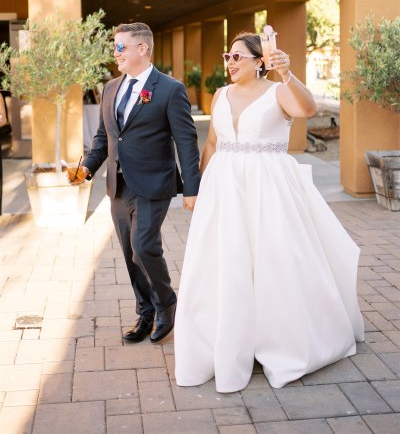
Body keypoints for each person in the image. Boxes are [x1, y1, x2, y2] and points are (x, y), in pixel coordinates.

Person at [174, 31, 364, 392]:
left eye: (237, 57)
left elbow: (308, 110)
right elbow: (212, 143)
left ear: (260, 62)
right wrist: (194, 189)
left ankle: (279, 340)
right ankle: (228, 338)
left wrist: (287, 74)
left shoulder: (278, 91)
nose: (229, 63)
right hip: (224, 188)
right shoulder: (220, 95)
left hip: (269, 188)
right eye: (226, 56)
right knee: (226, 262)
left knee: (274, 260)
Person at [69, 22, 201, 344]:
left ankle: (167, 305)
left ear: (142, 49)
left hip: (155, 183)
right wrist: (87, 166)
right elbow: (105, 137)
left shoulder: (170, 89)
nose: (115, 54)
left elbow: (186, 141)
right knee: (130, 253)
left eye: (120, 48)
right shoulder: (111, 88)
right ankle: (145, 313)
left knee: (144, 247)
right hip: (117, 184)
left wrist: (193, 189)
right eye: (115, 48)